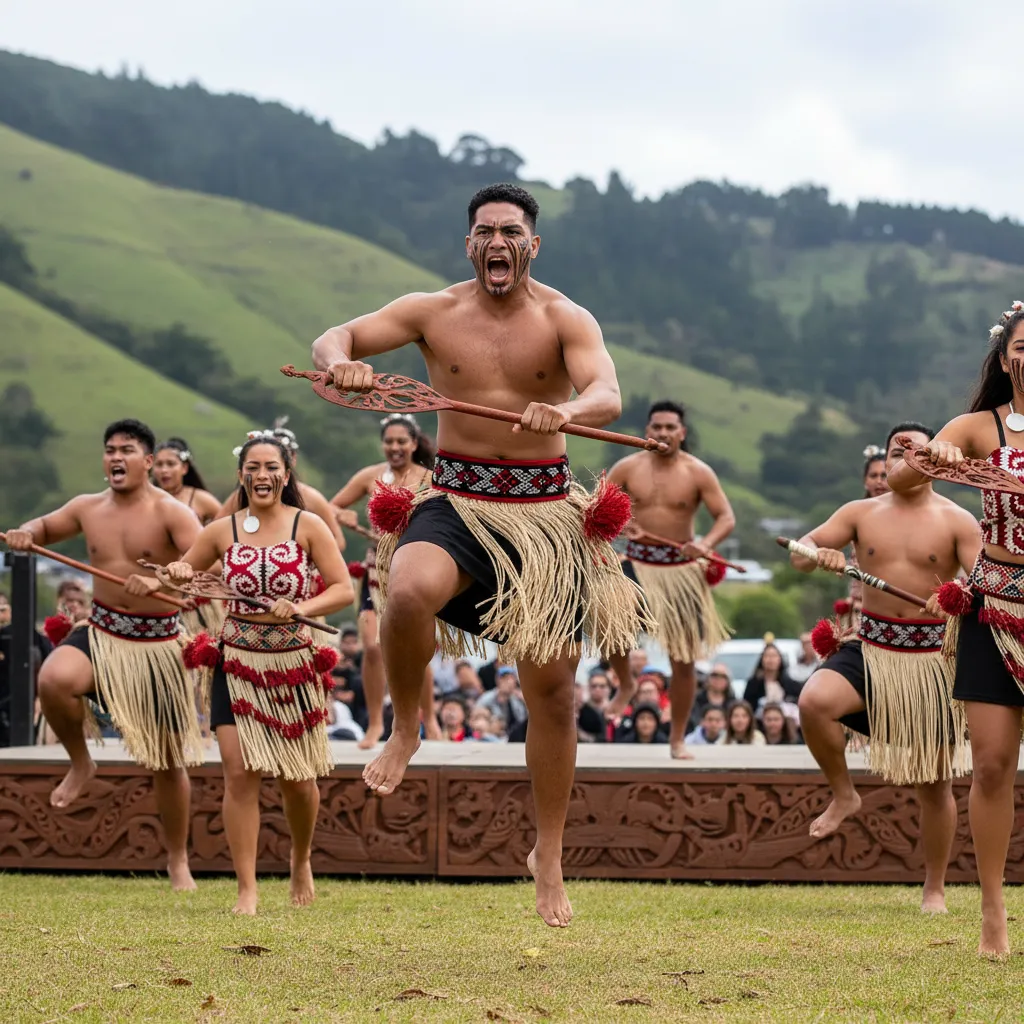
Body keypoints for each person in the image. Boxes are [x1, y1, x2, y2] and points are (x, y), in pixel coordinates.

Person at [310, 182, 646, 928]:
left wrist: (564, 410)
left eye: (513, 232)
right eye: (486, 232)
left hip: (542, 517)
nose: (499, 243)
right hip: (456, 501)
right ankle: (404, 726)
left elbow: (608, 393)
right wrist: (342, 364)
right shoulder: (431, 311)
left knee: (554, 691)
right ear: (470, 245)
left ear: (533, 245)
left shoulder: (565, 316)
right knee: (405, 590)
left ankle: (549, 855)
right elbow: (335, 337)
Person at [2, 419, 204, 889]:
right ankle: (80, 761)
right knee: (53, 679)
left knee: (166, 761)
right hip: (102, 631)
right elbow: (45, 526)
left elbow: (206, 560)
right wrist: (25, 532)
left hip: (156, 643)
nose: (116, 457)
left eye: (127, 450)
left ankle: (178, 860)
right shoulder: (87, 507)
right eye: (110, 449)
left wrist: (161, 580)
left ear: (149, 461)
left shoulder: (171, 512)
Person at [793, 421, 981, 916]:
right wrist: (819, 555)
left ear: (934, 459)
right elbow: (800, 554)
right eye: (898, 446)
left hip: (930, 662)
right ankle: (843, 794)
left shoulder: (958, 520)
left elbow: (984, 588)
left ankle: (934, 888)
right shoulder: (860, 512)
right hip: (871, 648)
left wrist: (959, 599)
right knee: (814, 702)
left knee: (934, 783)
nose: (904, 453)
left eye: (915, 447)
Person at [165, 435, 354, 914]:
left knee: (297, 779)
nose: (262, 475)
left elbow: (343, 591)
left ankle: (300, 856)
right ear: (241, 475)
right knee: (239, 773)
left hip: (291, 663)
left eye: (272, 467)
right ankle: (246, 886)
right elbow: (183, 575)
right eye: (253, 467)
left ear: (286, 475)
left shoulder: (306, 523)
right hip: (237, 660)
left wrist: (302, 605)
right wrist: (173, 575)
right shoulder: (221, 530)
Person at [887, 300, 1024, 954]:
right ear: (1004, 357)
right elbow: (924, 465)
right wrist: (941, 452)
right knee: (992, 766)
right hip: (995, 607)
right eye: (1021, 346)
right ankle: (992, 908)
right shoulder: (977, 426)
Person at [605, 400, 734, 757]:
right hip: (636, 562)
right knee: (608, 617)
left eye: (670, 427)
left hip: (680, 570)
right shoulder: (627, 467)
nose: (663, 433)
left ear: (682, 433)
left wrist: (704, 544)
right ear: (647, 430)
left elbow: (726, 517)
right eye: (656, 427)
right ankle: (627, 683)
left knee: (684, 661)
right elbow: (595, 508)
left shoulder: (698, 472)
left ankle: (676, 738)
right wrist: (618, 521)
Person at [330, 413, 439, 747]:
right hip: (376, 572)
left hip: (416, 570)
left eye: (401, 441)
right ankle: (376, 723)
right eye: (389, 441)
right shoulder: (371, 476)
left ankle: (429, 719)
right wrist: (342, 515)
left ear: (414, 443)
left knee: (418, 648)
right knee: (373, 648)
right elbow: (331, 506)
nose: (395, 447)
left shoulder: (430, 478)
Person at [152, 437, 221, 526]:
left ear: (184, 468)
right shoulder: (146, 499)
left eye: (171, 464)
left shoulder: (200, 499)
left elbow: (229, 525)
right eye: (159, 464)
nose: (164, 470)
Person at [743, 641, 802, 716]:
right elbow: (747, 707)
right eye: (767, 656)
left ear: (780, 659)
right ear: (762, 659)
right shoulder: (753, 684)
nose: (771, 660)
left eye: (774, 656)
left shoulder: (791, 684)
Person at [476, 666, 528, 736]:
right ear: (498, 680)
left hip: (515, 736)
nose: (509, 682)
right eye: (505, 678)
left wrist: (525, 701)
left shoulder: (518, 699)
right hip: (492, 736)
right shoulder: (487, 698)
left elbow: (526, 720)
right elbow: (476, 715)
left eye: (511, 678)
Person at [689, 663, 734, 731]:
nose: (718, 679)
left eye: (723, 676)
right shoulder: (695, 700)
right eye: (714, 675)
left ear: (728, 681)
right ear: (708, 678)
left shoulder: (733, 703)